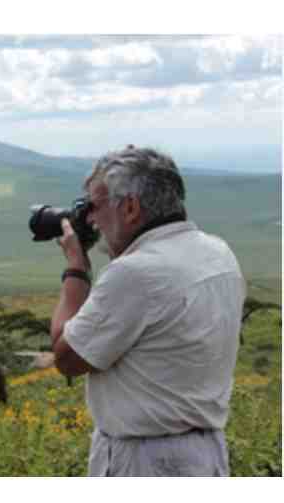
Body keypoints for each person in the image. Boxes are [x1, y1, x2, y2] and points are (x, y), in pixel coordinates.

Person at [50, 145, 246, 476]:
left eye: (95, 207)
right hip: (206, 453)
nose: (91, 220)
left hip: (145, 460)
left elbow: (67, 358)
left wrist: (76, 269)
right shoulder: (218, 253)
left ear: (130, 208)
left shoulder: (136, 273)